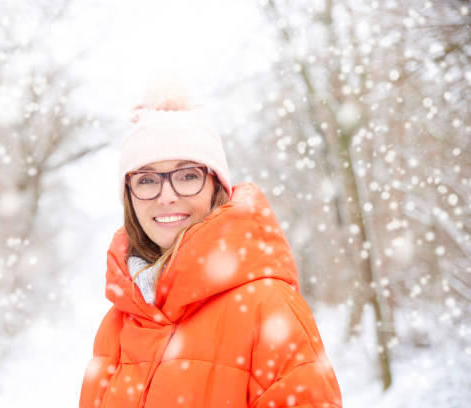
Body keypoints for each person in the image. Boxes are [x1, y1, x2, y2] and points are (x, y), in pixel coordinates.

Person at [79, 78, 342, 407]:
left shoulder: (268, 308)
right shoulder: (118, 322)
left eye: (187, 175)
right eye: (146, 180)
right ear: (129, 197)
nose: (167, 195)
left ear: (216, 186)